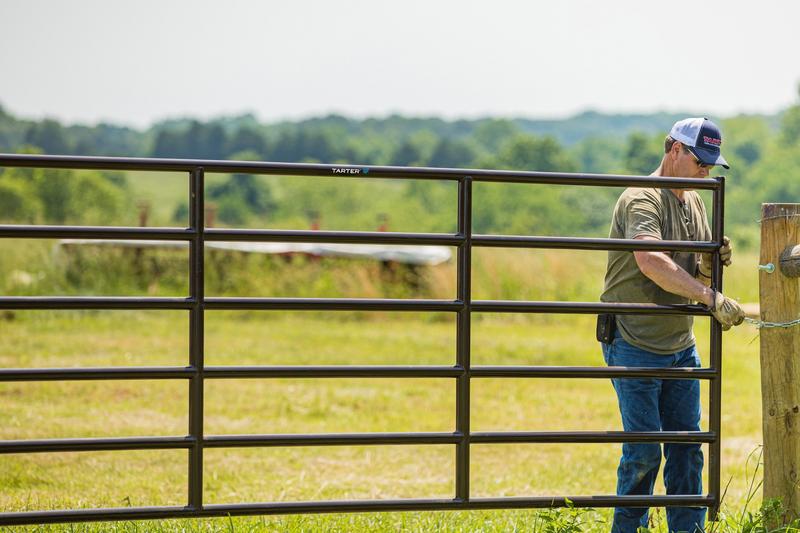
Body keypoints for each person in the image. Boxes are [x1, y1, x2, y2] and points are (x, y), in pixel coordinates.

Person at [599, 117, 746, 533]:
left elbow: (692, 276)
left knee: (686, 448)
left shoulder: (695, 201)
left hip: (678, 341)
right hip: (633, 337)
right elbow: (649, 261)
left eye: (712, 165)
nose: (706, 171)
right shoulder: (641, 198)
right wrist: (710, 297)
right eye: (699, 161)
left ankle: (688, 529)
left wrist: (708, 263)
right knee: (644, 451)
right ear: (674, 150)